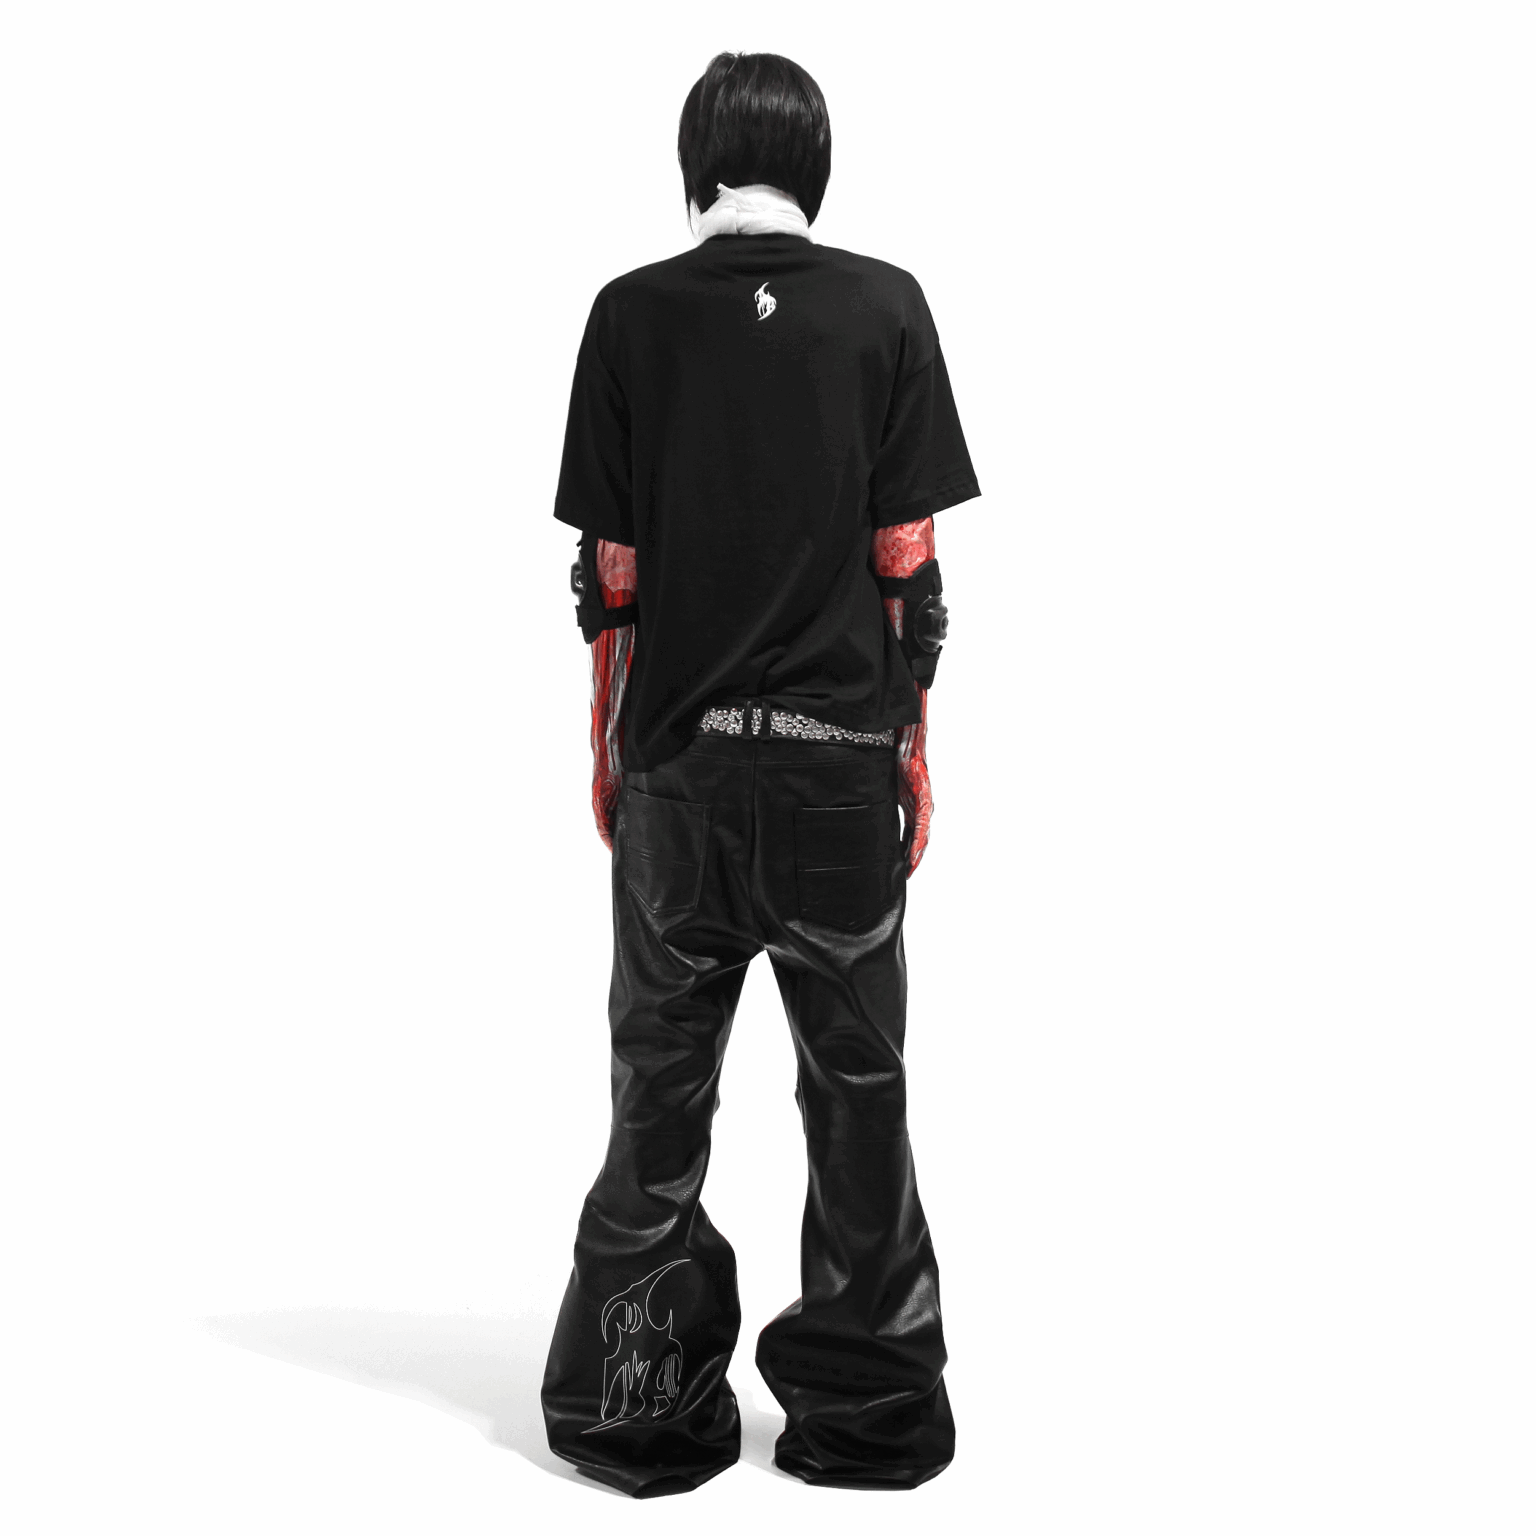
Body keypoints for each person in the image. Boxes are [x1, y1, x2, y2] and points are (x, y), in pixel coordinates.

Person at [540, 50, 981, 1497]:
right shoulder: (885, 307)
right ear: (814, 166)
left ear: (696, 167)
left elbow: (615, 578)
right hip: (838, 779)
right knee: (859, 1099)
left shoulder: (629, 316)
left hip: (681, 775)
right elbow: (906, 564)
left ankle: (639, 1408)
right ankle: (870, 1415)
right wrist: (912, 750)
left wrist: (610, 751)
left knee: (658, 1105)